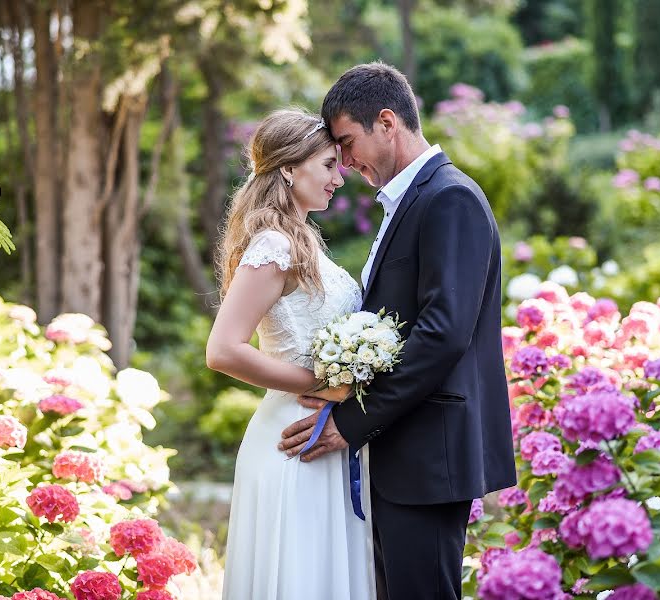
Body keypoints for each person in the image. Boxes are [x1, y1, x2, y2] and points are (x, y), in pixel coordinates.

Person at [279, 62, 517, 600]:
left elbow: (442, 332)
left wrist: (354, 418)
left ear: (387, 122)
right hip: (406, 454)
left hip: (430, 459)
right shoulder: (406, 201)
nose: (342, 161)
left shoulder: (448, 198)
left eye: (346, 142)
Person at [206, 109, 377, 600]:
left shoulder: (301, 240)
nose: (337, 179)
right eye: (327, 165)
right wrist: (317, 384)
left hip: (323, 434)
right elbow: (222, 349)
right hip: (292, 437)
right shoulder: (274, 244)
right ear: (288, 169)